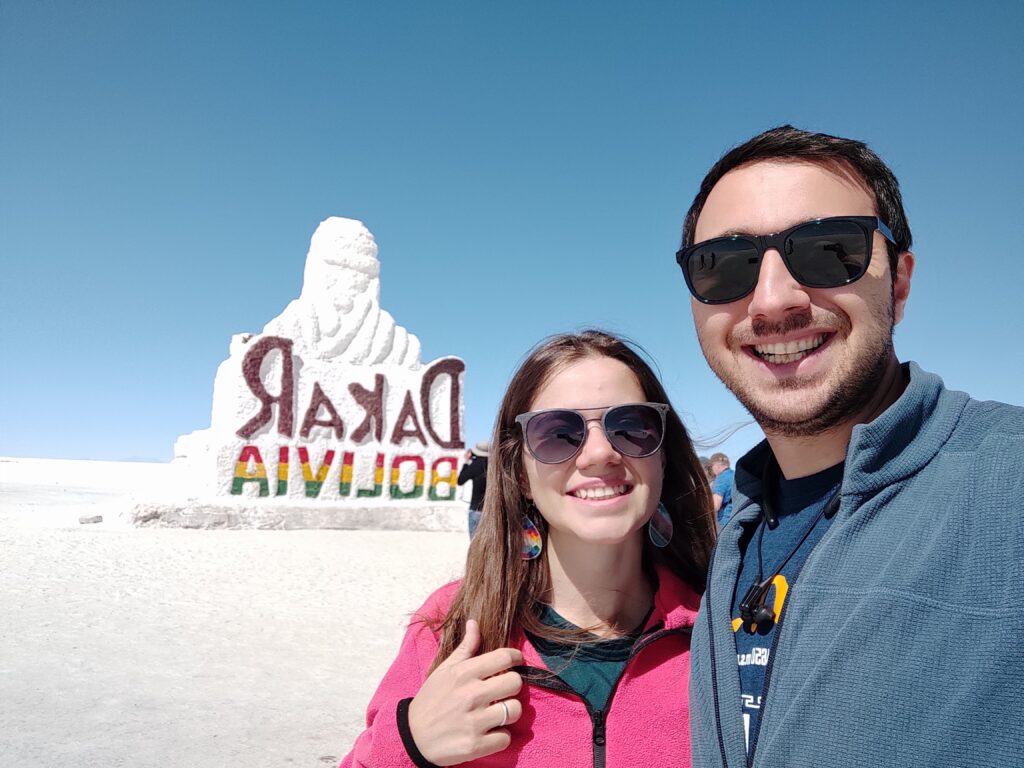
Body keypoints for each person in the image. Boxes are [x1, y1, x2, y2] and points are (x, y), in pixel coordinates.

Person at [676, 125, 1024, 766]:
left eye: (828, 250)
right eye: (724, 265)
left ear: (899, 281)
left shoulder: (1008, 483)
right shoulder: (739, 530)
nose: (774, 300)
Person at [341, 329, 716, 767]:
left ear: (662, 456)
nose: (599, 453)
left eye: (630, 427)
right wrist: (411, 742)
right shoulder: (453, 626)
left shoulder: (719, 634)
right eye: (557, 433)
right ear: (520, 473)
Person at [457, 440, 489, 537]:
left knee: (474, 542)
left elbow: (460, 481)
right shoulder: (494, 466)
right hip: (491, 510)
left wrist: (466, 462)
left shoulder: (475, 465)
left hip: (476, 509)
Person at [707, 452, 733, 528]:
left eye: (711, 466)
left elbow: (715, 506)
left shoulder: (720, 479)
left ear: (717, 466)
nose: (711, 469)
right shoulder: (735, 475)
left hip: (726, 523)